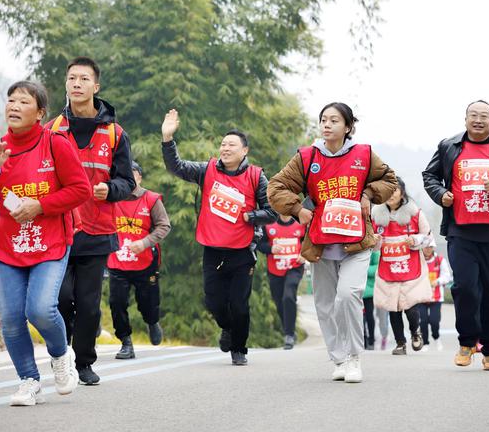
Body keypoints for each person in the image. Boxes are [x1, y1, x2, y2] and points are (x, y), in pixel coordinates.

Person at [268, 102, 397, 383]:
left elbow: (389, 180)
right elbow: (276, 187)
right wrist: (297, 209)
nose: (327, 125)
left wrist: (367, 195)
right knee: (325, 305)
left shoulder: (364, 154)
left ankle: (353, 358)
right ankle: (337, 358)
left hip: (357, 241)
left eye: (334, 120)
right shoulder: (306, 157)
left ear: (348, 127)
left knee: (347, 295)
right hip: (322, 243)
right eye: (324, 120)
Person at [0, 81, 91, 405]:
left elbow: (80, 190)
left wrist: (40, 206)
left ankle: (60, 356)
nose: (13, 106)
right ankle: (28, 381)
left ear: (40, 113)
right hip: (8, 245)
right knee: (13, 318)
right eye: (10, 100)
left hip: (51, 241)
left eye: (23, 102)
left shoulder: (55, 143)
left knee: (41, 309)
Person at [422, 100, 489, 371]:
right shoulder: (449, 146)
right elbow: (430, 176)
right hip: (461, 230)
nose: (479, 120)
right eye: (474, 115)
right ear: (465, 119)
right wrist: (440, 195)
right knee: (465, 288)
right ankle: (466, 342)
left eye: (484, 116)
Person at [45, 57, 135, 385]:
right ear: (66, 85)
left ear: (96, 87)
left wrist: (108, 189)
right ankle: (62, 356)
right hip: (59, 228)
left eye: (84, 79)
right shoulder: (53, 130)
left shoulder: (114, 134)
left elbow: (128, 182)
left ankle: (84, 363)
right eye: (72, 78)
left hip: (98, 229)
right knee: (60, 298)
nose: (77, 84)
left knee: (87, 304)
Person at [161, 109, 276, 365]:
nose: (225, 148)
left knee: (239, 304)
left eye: (232, 145)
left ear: (244, 150)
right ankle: (227, 327)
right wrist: (168, 140)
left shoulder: (257, 176)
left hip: (243, 250)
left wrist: (251, 216)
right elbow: (177, 167)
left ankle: (239, 349)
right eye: (223, 144)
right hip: (212, 249)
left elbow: (272, 212)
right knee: (213, 301)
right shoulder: (207, 169)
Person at [107, 161, 171, 359]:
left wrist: (145, 243)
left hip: (144, 261)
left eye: (131, 174)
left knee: (148, 303)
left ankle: (152, 322)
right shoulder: (109, 198)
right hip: (117, 262)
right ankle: (126, 342)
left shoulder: (151, 199)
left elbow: (164, 226)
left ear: (139, 177)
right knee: (117, 303)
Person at [372, 177, 433, 355]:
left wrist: (415, 240)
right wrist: (375, 241)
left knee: (411, 306)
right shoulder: (376, 215)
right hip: (387, 267)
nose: (391, 195)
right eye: (388, 191)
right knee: (393, 307)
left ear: (402, 192)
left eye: (395, 190)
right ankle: (400, 343)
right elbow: (371, 242)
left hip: (410, 266)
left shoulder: (415, 213)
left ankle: (416, 332)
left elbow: (428, 236)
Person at [256, 213, 306, 350]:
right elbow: (259, 244)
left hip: (294, 268)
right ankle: (290, 330)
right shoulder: (269, 226)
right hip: (275, 270)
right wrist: (271, 248)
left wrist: (304, 253)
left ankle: (288, 335)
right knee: (279, 302)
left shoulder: (300, 225)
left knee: (288, 296)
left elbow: (309, 240)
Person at [419, 244, 452, 351]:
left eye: (430, 247)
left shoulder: (439, 260)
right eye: (425, 247)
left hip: (436, 297)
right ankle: (425, 343)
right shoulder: (418, 260)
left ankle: (436, 337)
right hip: (421, 297)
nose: (428, 249)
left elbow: (447, 276)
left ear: (433, 248)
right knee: (423, 320)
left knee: (434, 321)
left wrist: (437, 281)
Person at [362, 250, 380, 350]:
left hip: (369, 291)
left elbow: (376, 269)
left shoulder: (374, 252)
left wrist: (362, 268)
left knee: (369, 316)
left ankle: (371, 340)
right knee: (359, 317)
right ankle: (363, 340)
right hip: (357, 291)